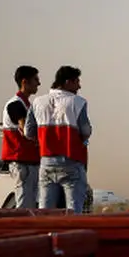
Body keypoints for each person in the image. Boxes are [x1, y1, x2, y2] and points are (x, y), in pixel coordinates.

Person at [24, 66, 92, 214]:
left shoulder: (37, 102)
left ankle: (45, 235)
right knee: (73, 212)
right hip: (71, 161)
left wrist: (43, 139)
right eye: (77, 82)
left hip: (46, 162)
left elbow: (28, 132)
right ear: (68, 82)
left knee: (45, 212)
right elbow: (86, 131)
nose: (79, 86)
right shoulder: (78, 102)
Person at [0, 65, 42, 208]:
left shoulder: (26, 104)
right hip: (21, 160)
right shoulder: (15, 104)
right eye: (35, 79)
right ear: (25, 82)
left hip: (30, 161)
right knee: (24, 203)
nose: (39, 83)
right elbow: (26, 130)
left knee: (30, 203)